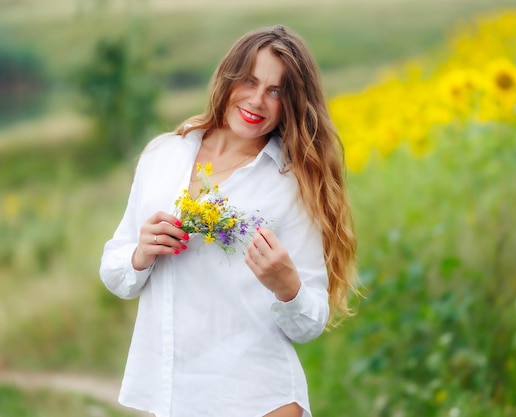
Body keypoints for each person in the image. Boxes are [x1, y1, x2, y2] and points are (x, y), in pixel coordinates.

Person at [99, 25, 358, 417]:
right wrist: (140, 254)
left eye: (277, 91)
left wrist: (287, 285)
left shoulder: (291, 185)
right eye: (250, 81)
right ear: (228, 77)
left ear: (292, 103)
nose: (258, 100)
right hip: (170, 398)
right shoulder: (163, 155)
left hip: (258, 399)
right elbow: (116, 272)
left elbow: (308, 324)